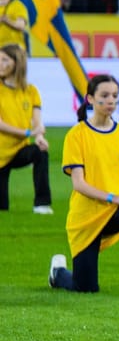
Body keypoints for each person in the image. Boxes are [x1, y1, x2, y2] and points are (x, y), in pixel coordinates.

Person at [50, 73, 119, 295]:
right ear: (89, 99)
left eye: (115, 96)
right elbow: (78, 184)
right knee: (85, 287)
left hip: (115, 213)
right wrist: (112, 197)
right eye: (104, 95)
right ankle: (58, 273)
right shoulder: (76, 135)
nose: (111, 101)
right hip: (86, 219)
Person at [0, 41, 50, 214]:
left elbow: (37, 121)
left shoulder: (30, 91)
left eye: (5, 60)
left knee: (40, 151)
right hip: (1, 152)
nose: (1, 64)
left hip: (18, 149)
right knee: (2, 208)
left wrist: (39, 137)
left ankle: (42, 204)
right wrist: (27, 133)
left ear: (17, 63)